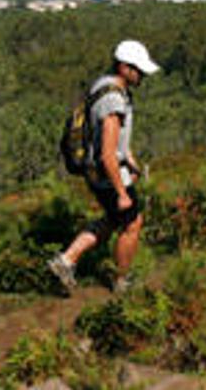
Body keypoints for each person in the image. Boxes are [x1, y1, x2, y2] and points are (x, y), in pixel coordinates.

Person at [48, 39, 161, 294]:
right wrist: (121, 192)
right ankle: (122, 281)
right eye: (138, 70)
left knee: (112, 220)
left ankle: (66, 261)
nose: (142, 75)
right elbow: (107, 153)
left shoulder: (103, 85)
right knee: (132, 223)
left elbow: (112, 140)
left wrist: (129, 157)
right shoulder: (113, 101)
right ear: (124, 67)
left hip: (96, 171)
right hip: (107, 174)